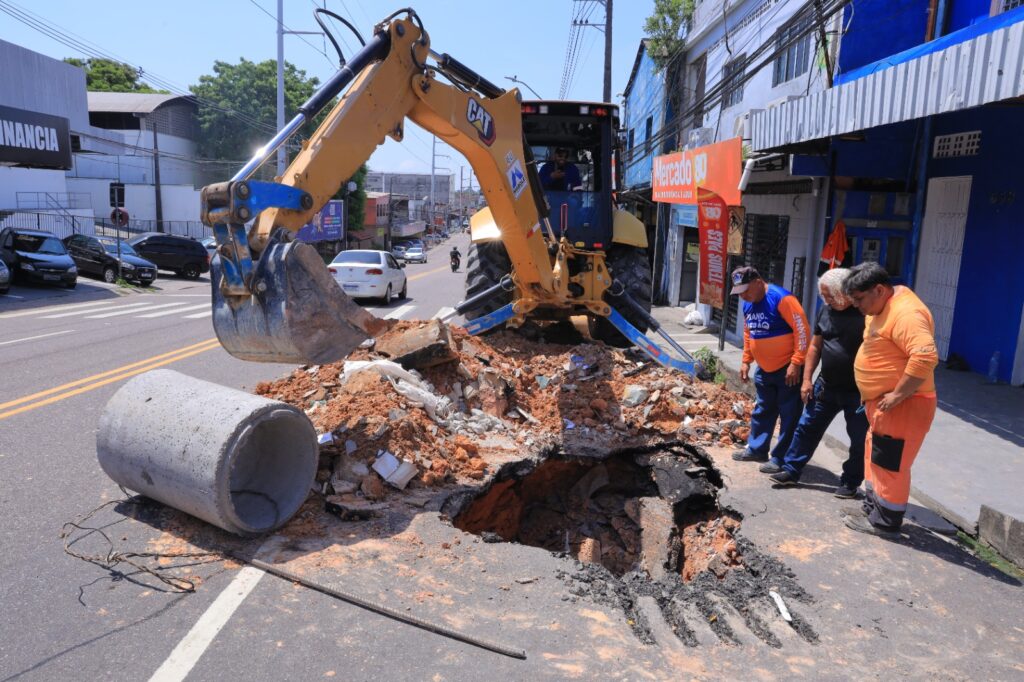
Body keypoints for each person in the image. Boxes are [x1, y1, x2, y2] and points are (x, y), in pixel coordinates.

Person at [841, 262, 938, 539]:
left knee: (890, 463)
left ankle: (885, 522)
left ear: (880, 290)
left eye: (859, 299)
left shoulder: (906, 314)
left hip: (905, 404)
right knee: (876, 457)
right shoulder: (880, 307)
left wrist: (897, 394)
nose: (856, 306)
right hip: (885, 406)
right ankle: (873, 509)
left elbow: (925, 356)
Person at [763, 268, 868, 498]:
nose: (826, 300)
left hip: (859, 391)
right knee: (807, 427)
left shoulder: (865, 313)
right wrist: (807, 379)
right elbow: (815, 346)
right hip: (826, 385)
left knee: (859, 439)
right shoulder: (826, 310)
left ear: (844, 292)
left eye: (830, 295)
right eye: (824, 296)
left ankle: (850, 482)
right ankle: (791, 470)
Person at [731, 266, 811, 465]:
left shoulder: (781, 298)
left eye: (745, 291)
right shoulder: (748, 304)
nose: (743, 296)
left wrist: (796, 362)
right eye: (739, 293)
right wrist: (746, 360)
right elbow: (749, 333)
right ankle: (757, 449)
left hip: (787, 369)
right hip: (764, 369)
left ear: (758, 282)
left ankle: (781, 458)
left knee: (789, 415)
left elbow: (802, 330)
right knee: (763, 410)